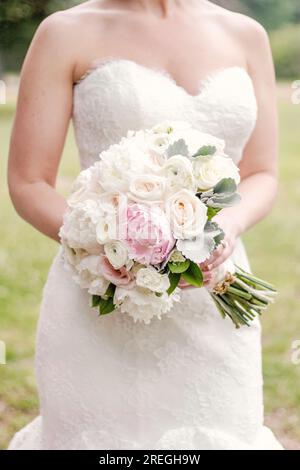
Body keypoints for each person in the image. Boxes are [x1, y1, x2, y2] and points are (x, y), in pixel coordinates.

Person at [7, 0, 283, 449]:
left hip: (214, 286)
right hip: (104, 284)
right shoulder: (65, 32)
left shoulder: (246, 35)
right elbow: (28, 181)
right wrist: (120, 244)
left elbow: (263, 173)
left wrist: (225, 228)